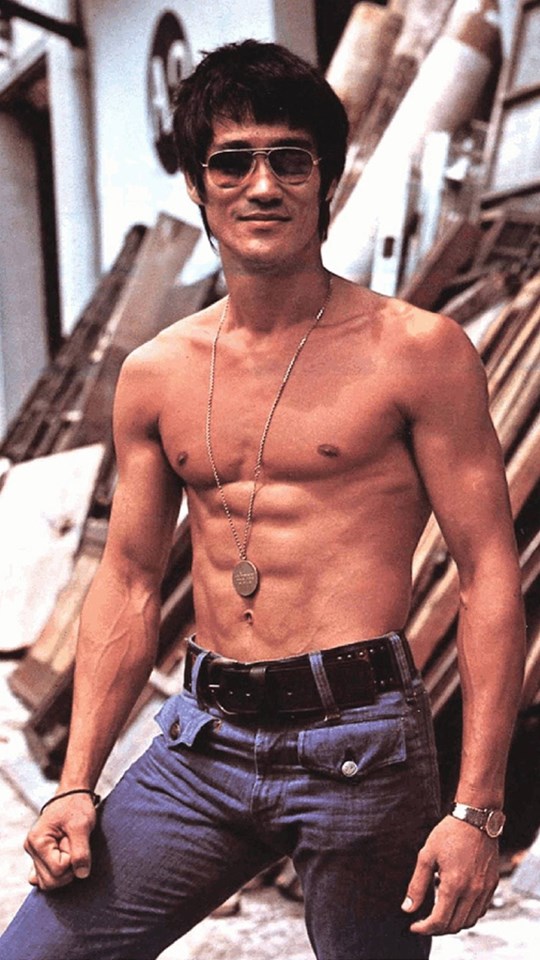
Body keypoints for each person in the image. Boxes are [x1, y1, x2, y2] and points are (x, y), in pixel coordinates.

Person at [0, 39, 525, 960]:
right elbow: (128, 582)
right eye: (231, 162)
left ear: (328, 179)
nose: (263, 185)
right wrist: (76, 781)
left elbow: (488, 574)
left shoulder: (417, 353)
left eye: (291, 159)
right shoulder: (156, 373)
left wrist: (476, 809)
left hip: (360, 743)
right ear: (196, 187)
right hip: (204, 740)